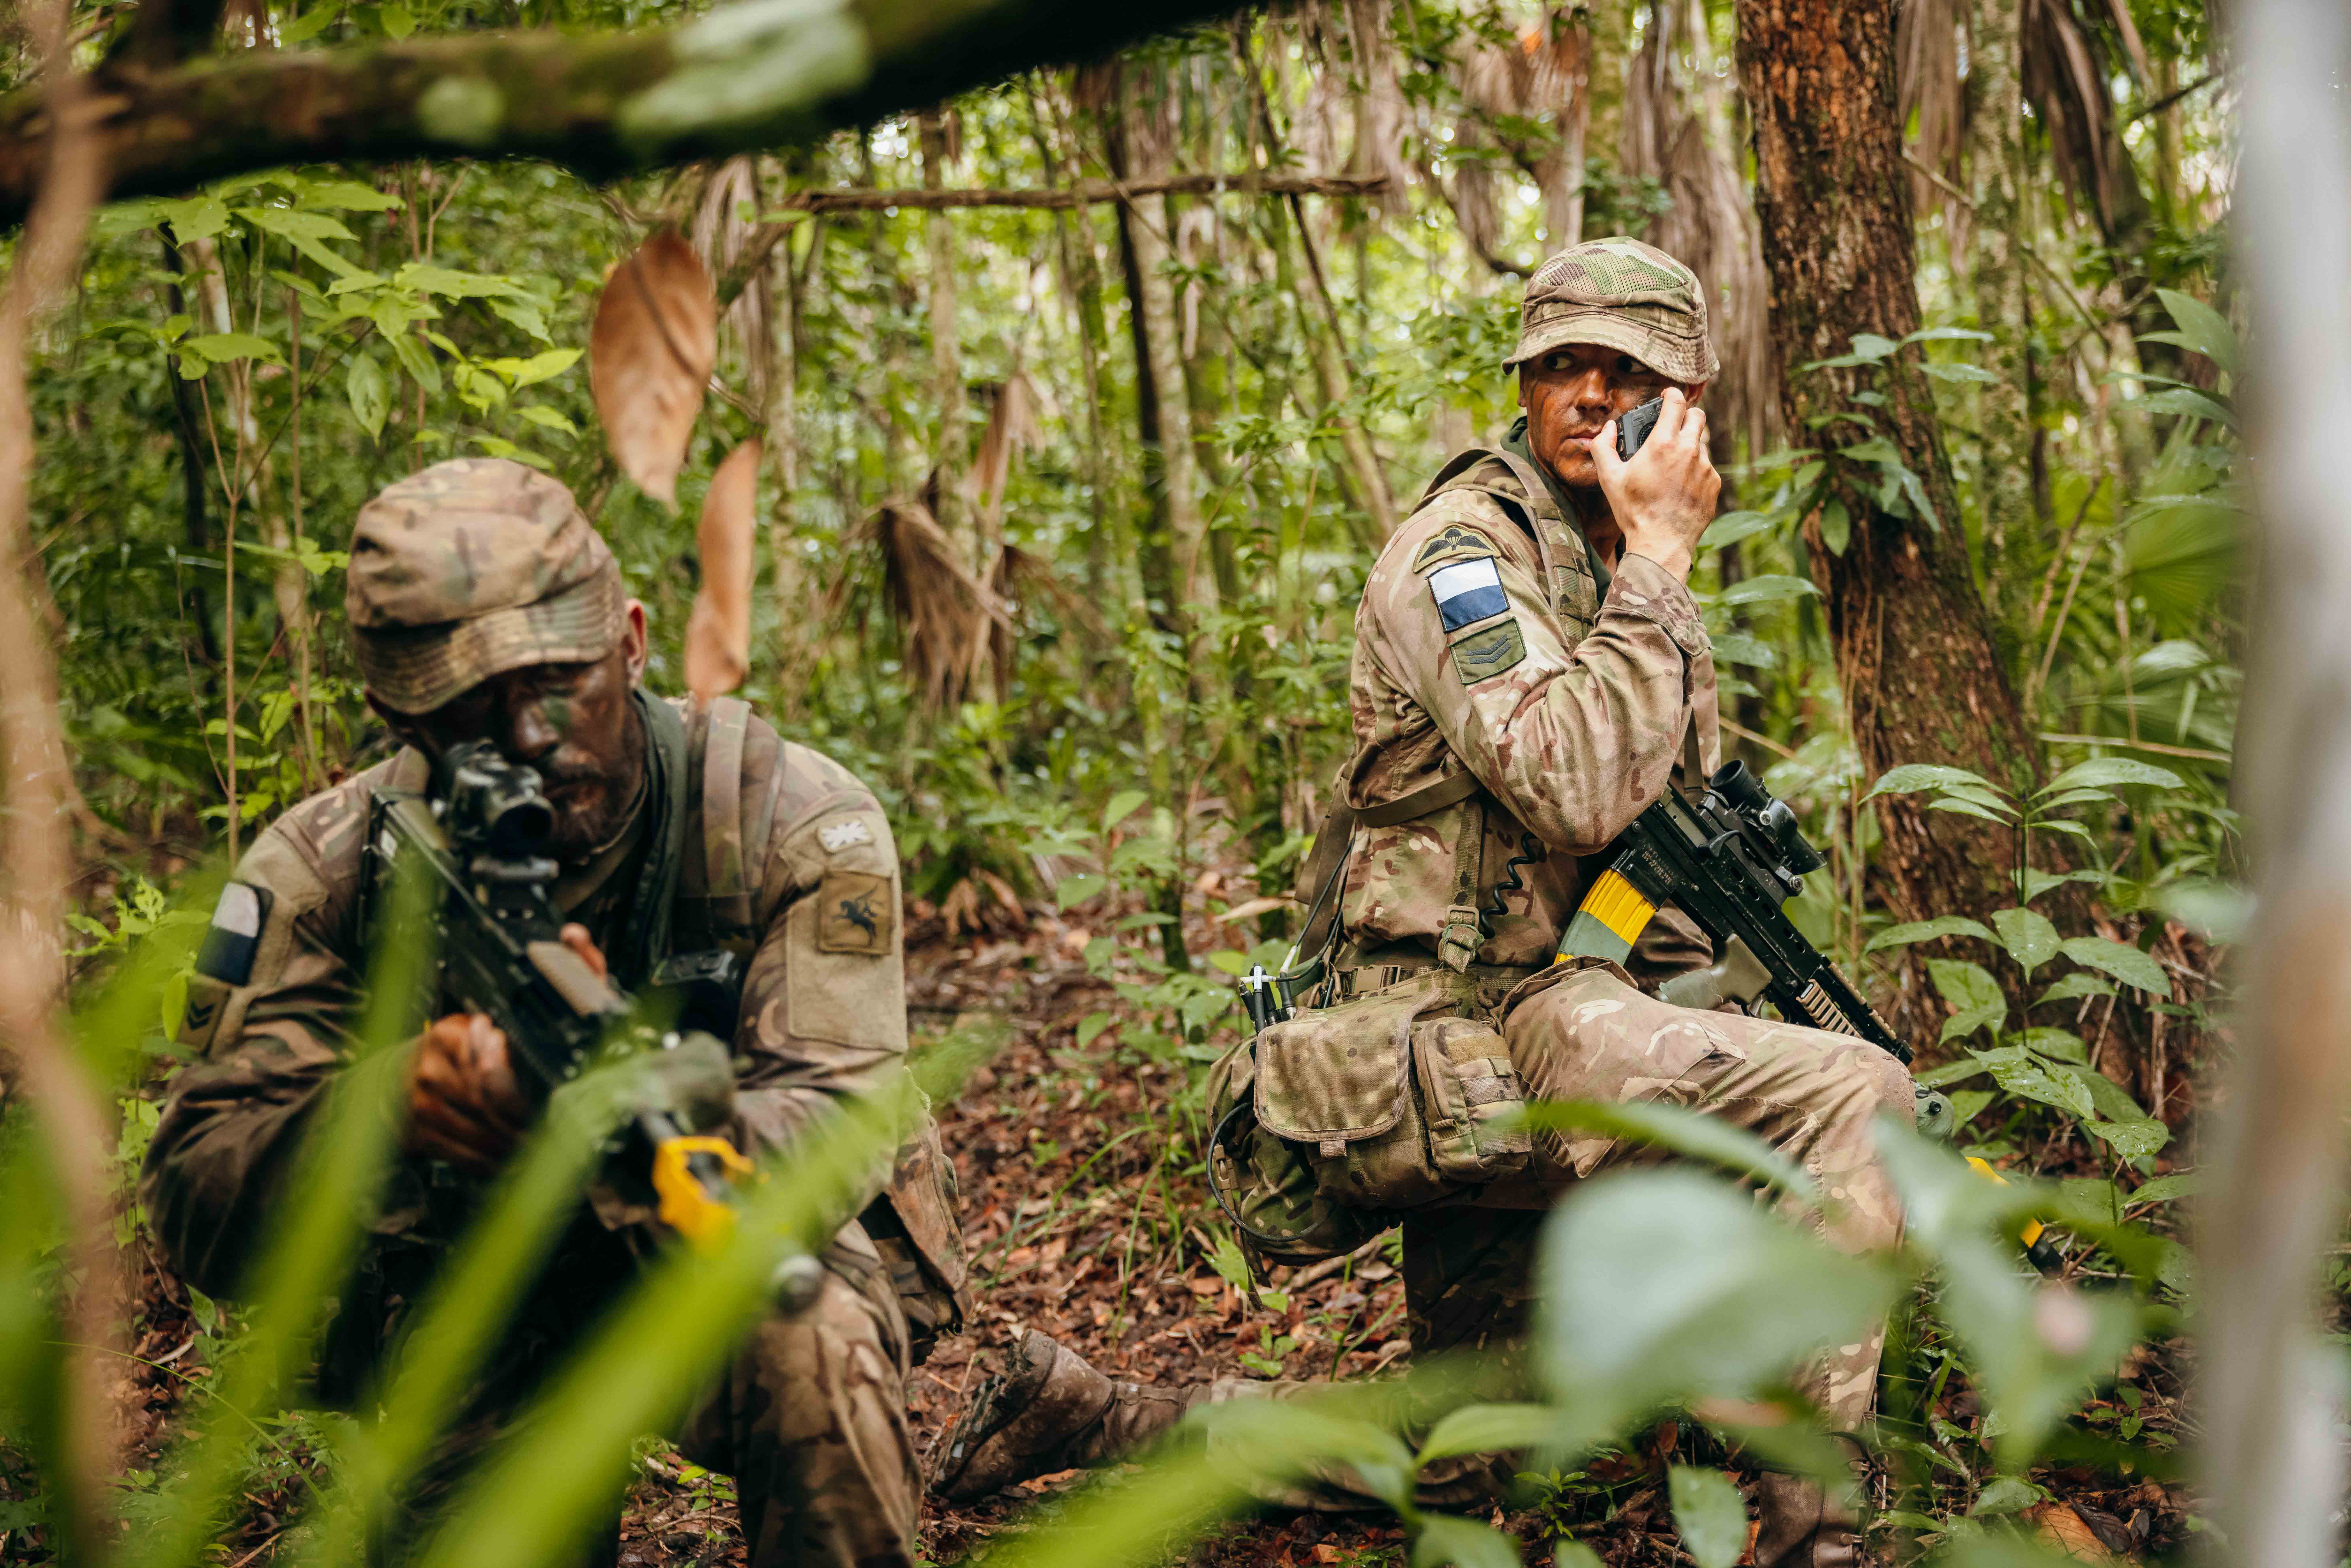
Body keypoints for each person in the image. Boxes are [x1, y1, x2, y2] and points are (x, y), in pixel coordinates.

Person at [929, 239, 1910, 1568]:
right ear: (1523, 383)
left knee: (1486, 1453)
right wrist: (1664, 561)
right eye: (1562, 363)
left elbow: (1636, 853)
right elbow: (1566, 784)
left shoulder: (1610, 559)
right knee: (1853, 1096)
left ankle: (1103, 1416)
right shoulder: (1464, 556)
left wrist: (1715, 1032)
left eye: (1624, 371)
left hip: (1560, 1008)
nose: (1586, 393)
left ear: (1681, 404)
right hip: (1481, 1028)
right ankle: (1817, 1533)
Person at [142, 458, 968, 1568]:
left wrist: (683, 1117)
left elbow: (842, 1115)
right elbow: (199, 1201)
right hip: (474, 1290)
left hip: (717, 1239)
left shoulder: (787, 818)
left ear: (631, 639)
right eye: (470, 713)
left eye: (558, 685)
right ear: (395, 710)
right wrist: (395, 1106)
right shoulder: (326, 875)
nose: (531, 739)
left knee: (814, 1332)